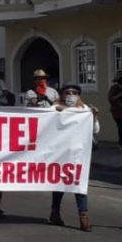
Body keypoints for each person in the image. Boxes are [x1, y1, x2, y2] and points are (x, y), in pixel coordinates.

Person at [48, 84, 97, 232]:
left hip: (78, 154)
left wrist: (94, 116)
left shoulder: (83, 110)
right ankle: (55, 212)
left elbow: (95, 129)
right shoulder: (54, 108)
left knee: (79, 184)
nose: (70, 95)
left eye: (74, 93)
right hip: (60, 153)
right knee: (59, 184)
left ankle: (84, 217)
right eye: (67, 93)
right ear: (62, 95)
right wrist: (57, 113)